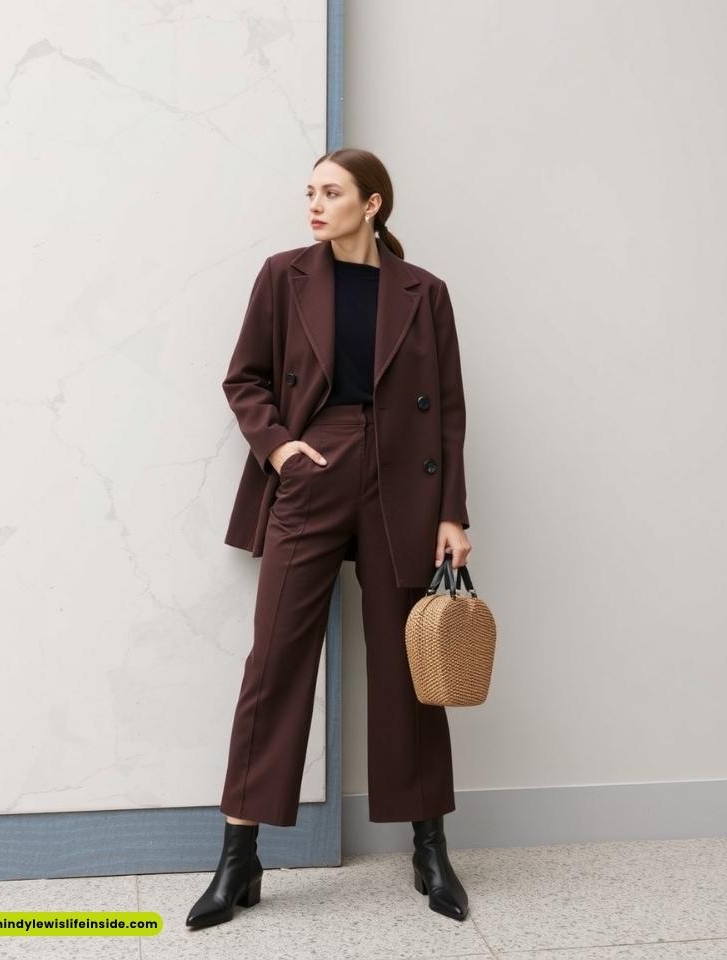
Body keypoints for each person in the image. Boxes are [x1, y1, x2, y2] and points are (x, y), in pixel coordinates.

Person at [186, 148, 472, 929]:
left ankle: (429, 847)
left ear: (372, 204)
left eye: (332, 192)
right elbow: (244, 377)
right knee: (274, 659)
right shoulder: (284, 276)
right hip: (315, 468)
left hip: (403, 482)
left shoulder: (424, 292)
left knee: (408, 662)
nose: (315, 204)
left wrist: (454, 513)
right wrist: (280, 448)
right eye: (310, 191)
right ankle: (239, 858)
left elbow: (446, 408)